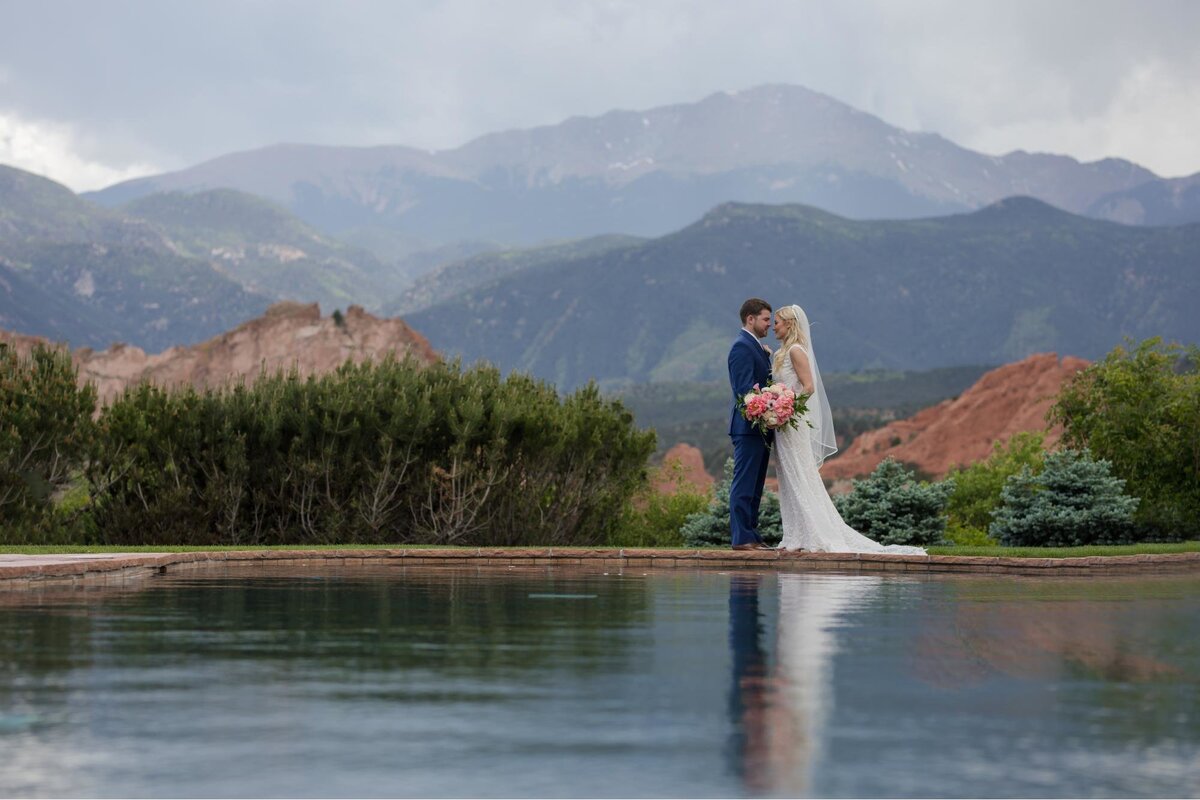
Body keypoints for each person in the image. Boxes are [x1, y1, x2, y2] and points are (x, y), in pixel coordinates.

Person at [770, 304, 926, 555]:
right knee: (788, 476)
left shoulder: (796, 351)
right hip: (783, 426)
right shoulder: (782, 352)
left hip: (791, 422)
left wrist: (785, 409)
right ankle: (795, 534)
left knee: (800, 474)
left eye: (777, 322)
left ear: (789, 324)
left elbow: (808, 387)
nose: (773, 326)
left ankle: (810, 534)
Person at [727, 298, 775, 551]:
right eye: (766, 319)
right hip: (748, 427)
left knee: (755, 485)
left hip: (762, 427)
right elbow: (744, 391)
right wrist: (769, 408)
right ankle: (741, 537)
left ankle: (751, 534)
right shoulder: (741, 347)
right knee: (744, 482)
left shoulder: (756, 346)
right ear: (751, 319)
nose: (770, 324)